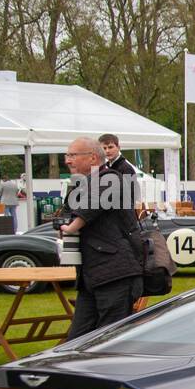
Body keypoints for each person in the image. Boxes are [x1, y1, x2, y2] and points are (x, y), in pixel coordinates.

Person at [59, 137, 144, 339]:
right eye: (67, 155)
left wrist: (73, 226)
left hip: (115, 273)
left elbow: (91, 205)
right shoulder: (80, 184)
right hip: (91, 275)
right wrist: (64, 224)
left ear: (92, 158)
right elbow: (66, 213)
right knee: (77, 339)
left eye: (72, 155)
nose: (68, 161)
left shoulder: (111, 178)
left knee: (109, 339)